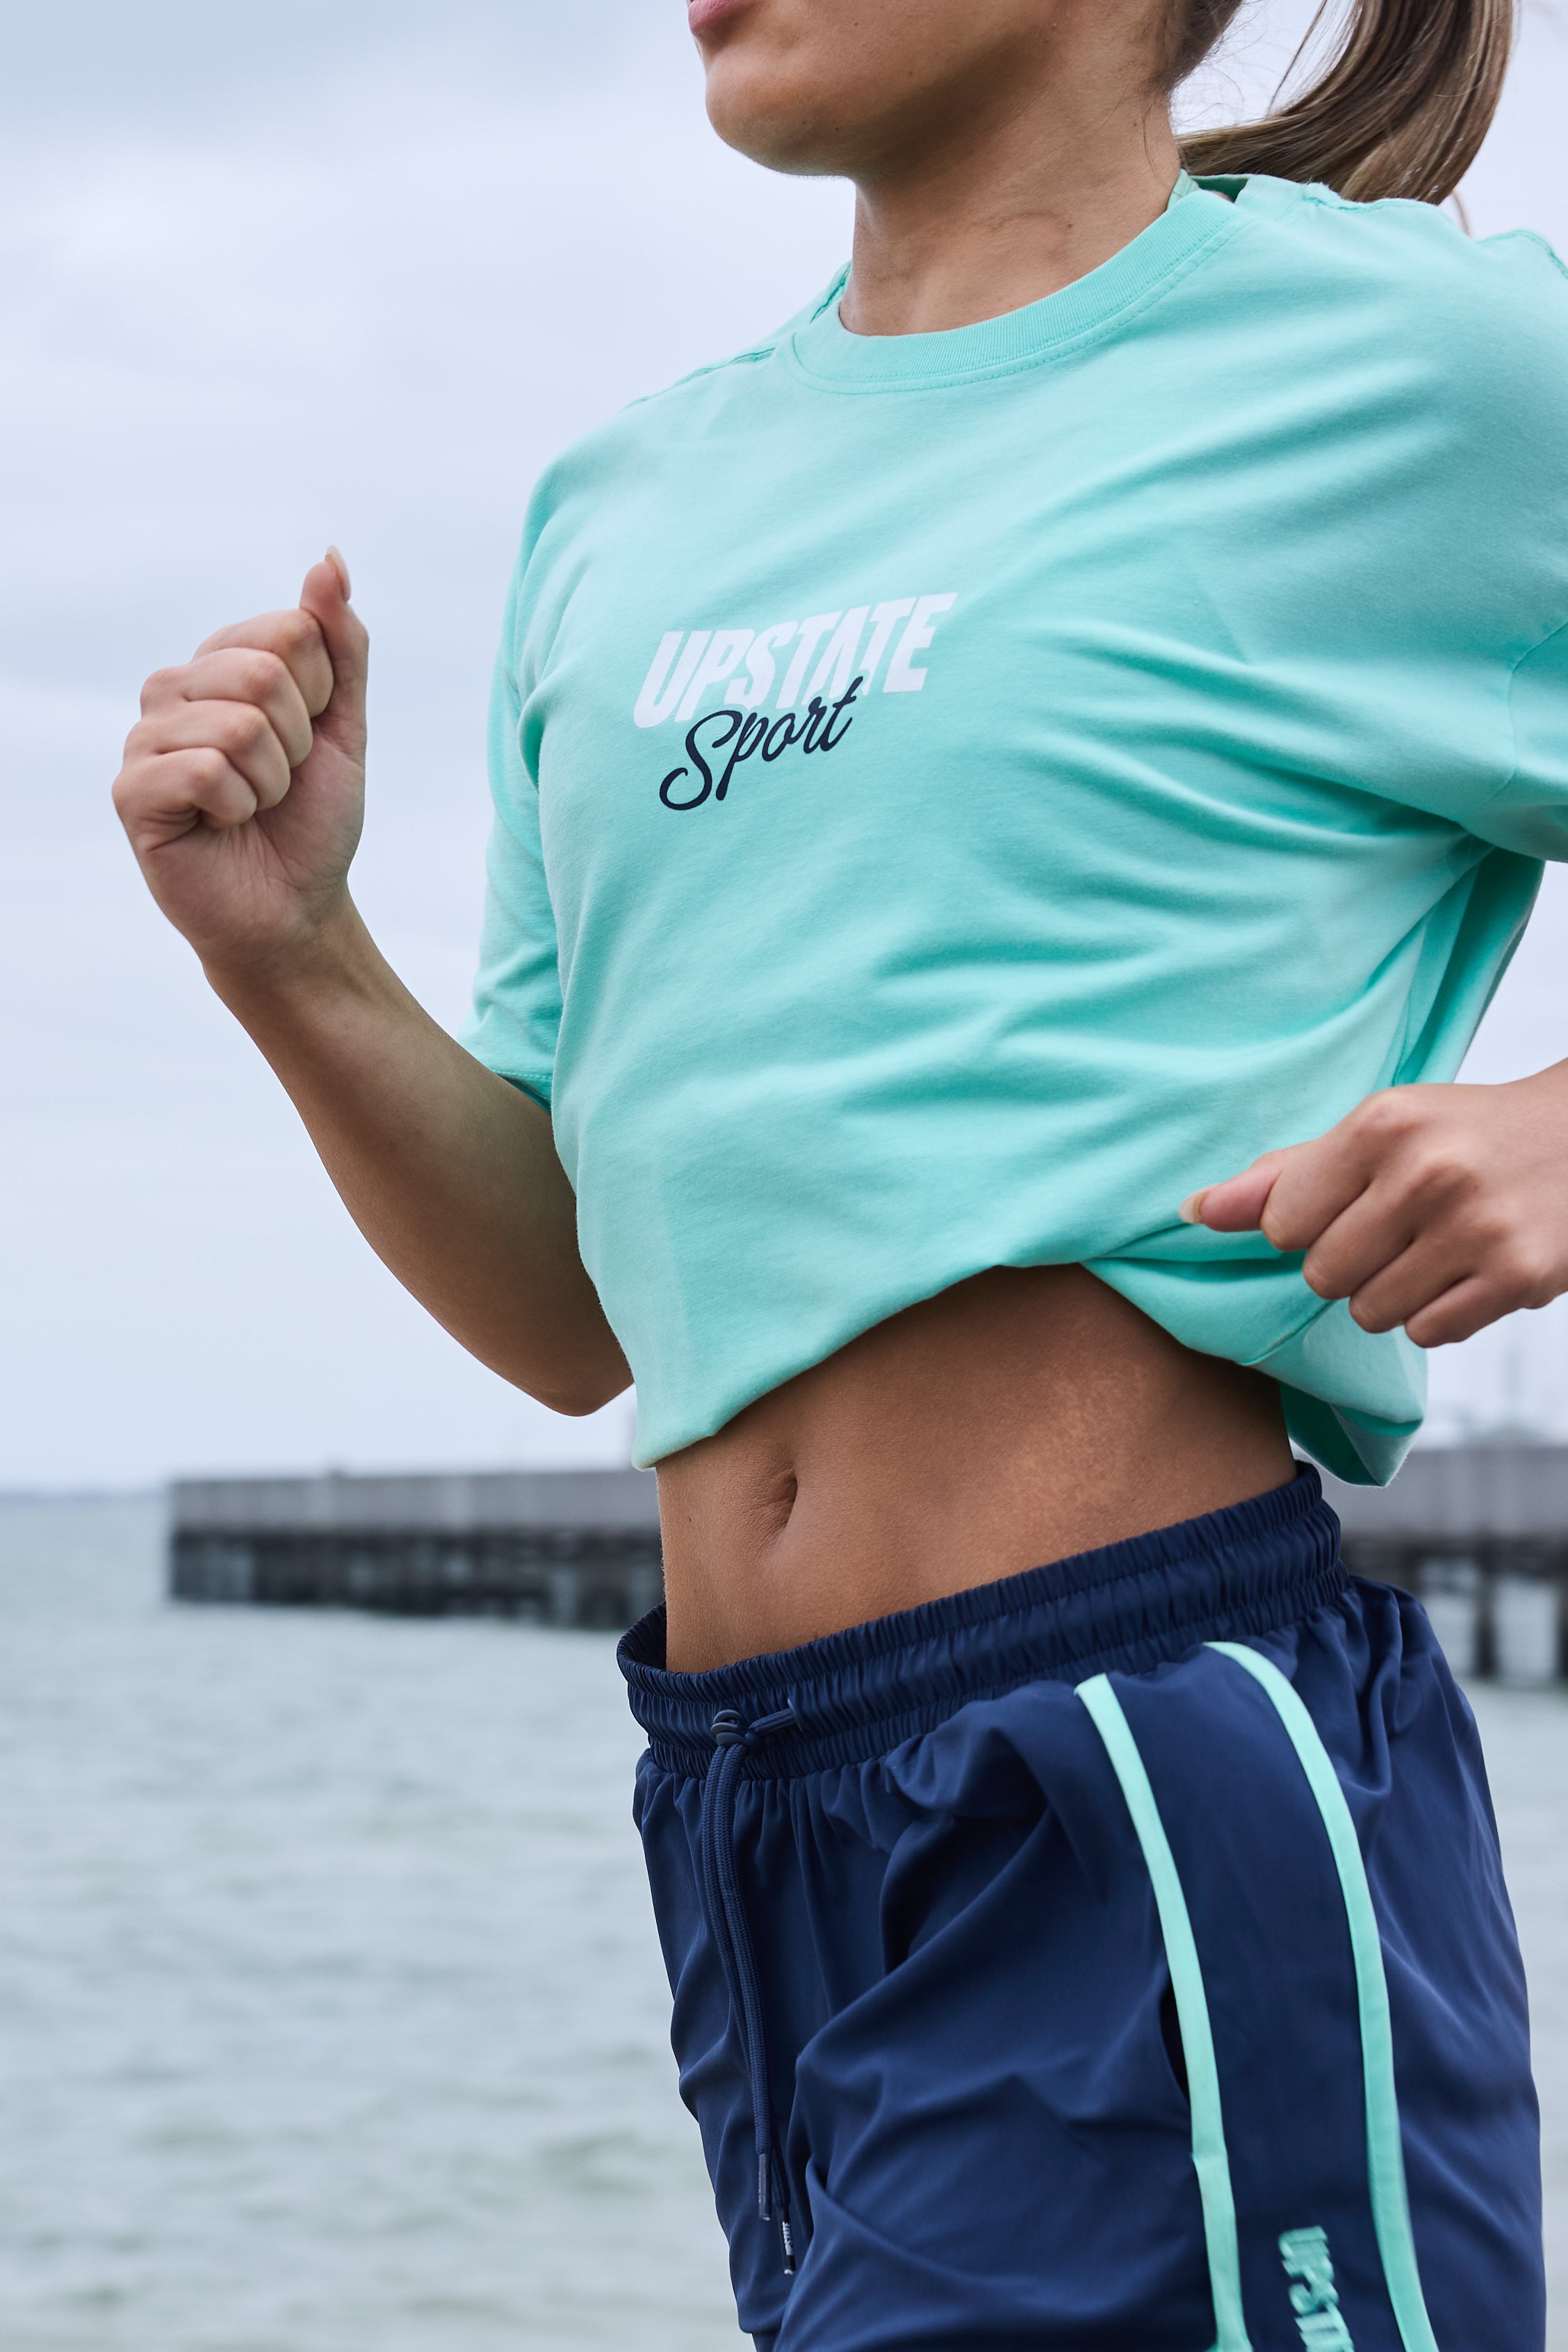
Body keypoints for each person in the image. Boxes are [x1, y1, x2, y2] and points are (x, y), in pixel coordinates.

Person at [112, 0, 1563, 2339]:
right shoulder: (628, 511)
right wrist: (292, 956)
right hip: (752, 1823)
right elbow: (581, 1303)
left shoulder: (1430, 375)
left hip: (1137, 1775)